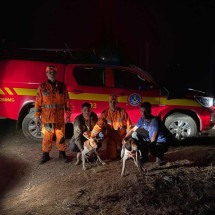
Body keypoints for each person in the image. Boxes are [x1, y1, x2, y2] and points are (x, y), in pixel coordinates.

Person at [34, 65, 71, 164]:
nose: (52, 74)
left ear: (56, 74)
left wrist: (68, 115)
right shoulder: (42, 87)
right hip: (47, 118)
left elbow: (67, 101)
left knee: (61, 136)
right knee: (47, 137)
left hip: (59, 118)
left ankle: (62, 154)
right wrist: (37, 116)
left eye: (54, 72)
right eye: (50, 72)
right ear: (46, 74)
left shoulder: (62, 87)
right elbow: (38, 102)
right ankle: (45, 155)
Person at [88, 94, 132, 160]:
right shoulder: (105, 114)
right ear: (108, 103)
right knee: (112, 157)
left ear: (117, 103)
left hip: (122, 137)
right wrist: (91, 136)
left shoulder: (123, 112)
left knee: (127, 155)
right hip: (111, 137)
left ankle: (120, 149)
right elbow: (98, 126)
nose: (112, 103)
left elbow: (129, 126)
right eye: (111, 102)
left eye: (114, 102)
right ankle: (116, 150)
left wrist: (127, 138)